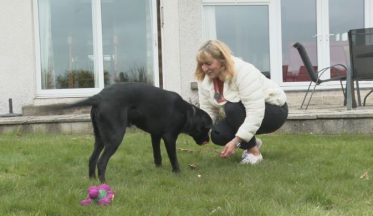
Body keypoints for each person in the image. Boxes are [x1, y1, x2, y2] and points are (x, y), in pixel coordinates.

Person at [195, 40, 288, 164]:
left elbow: (255, 111)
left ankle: (254, 153)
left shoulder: (243, 71)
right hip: (243, 112)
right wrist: (202, 131)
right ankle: (252, 141)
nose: (204, 68)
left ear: (222, 60)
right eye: (202, 64)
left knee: (232, 108)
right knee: (218, 134)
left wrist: (236, 141)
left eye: (208, 63)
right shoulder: (204, 79)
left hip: (274, 110)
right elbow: (207, 110)